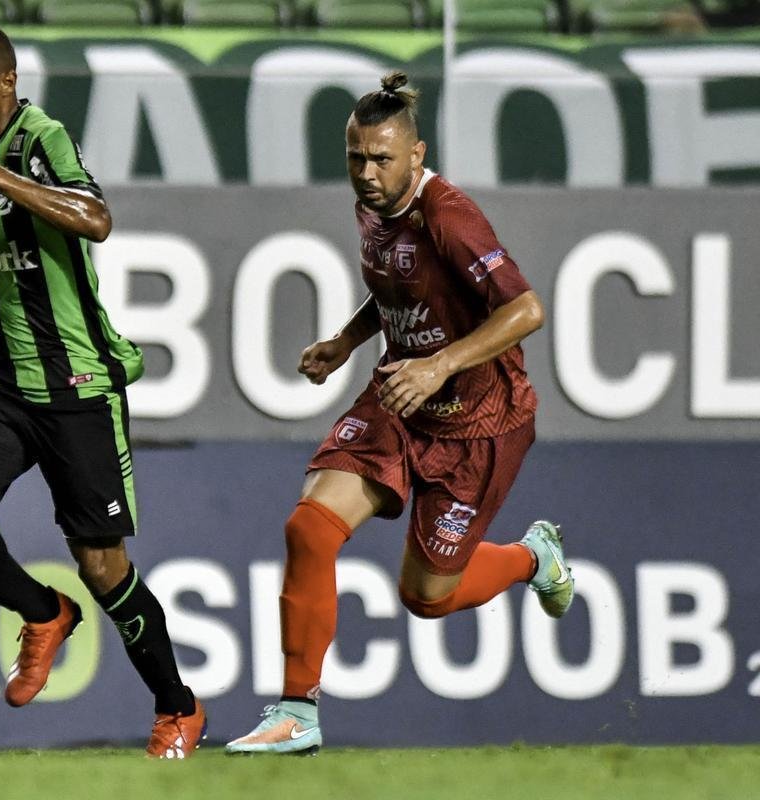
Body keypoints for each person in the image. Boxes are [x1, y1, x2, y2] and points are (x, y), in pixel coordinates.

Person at [225, 72, 573, 756]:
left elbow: (526, 309)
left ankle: (534, 558)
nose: (367, 173)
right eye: (356, 158)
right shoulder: (374, 208)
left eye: (382, 159)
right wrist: (345, 342)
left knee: (427, 597)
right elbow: (399, 285)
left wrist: (442, 363)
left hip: (478, 420)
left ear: (417, 155)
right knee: (310, 529)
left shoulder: (451, 217)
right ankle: (298, 713)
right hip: (398, 399)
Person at [0, 22, 205, 759]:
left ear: (3, 82)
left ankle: (178, 708)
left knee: (104, 567)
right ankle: (44, 616)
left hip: (75, 386)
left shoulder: (42, 139)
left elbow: (96, 219)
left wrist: (0, 177)